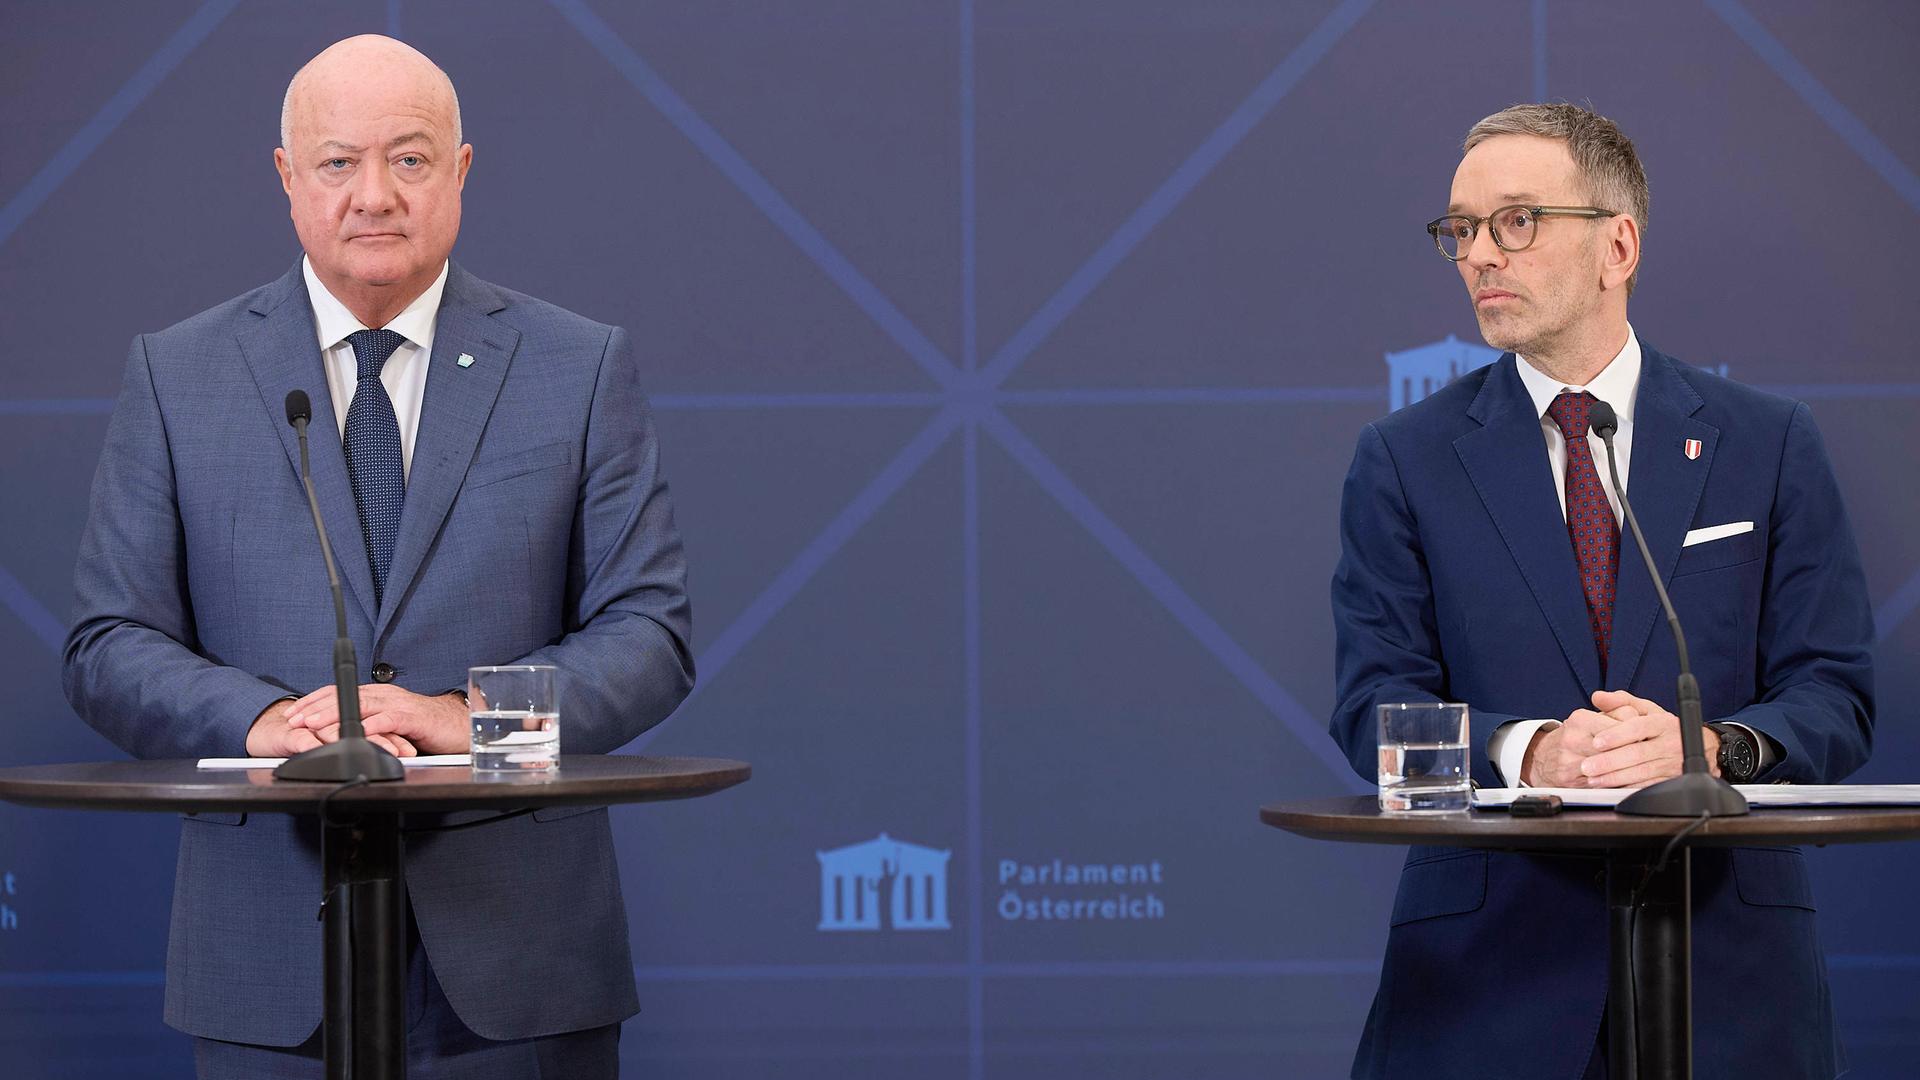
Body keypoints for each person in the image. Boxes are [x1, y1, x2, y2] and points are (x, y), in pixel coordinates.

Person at [62, 35, 693, 1077]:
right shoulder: (179, 375)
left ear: (460, 171)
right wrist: (262, 721)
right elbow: (106, 641)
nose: (374, 196)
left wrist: (463, 719)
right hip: (268, 960)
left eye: (408, 160)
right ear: (286, 179)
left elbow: (649, 634)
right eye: (338, 163)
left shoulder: (577, 368)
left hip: (520, 966)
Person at [1330, 103, 1873, 1080]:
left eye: (1518, 221)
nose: (1481, 255)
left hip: (1728, 985)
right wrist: (1527, 748)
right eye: (1461, 229)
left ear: (1617, 245)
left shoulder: (1766, 443)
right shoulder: (1404, 461)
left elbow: (1835, 693)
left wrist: (1714, 747)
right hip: (1483, 987)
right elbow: (1373, 713)